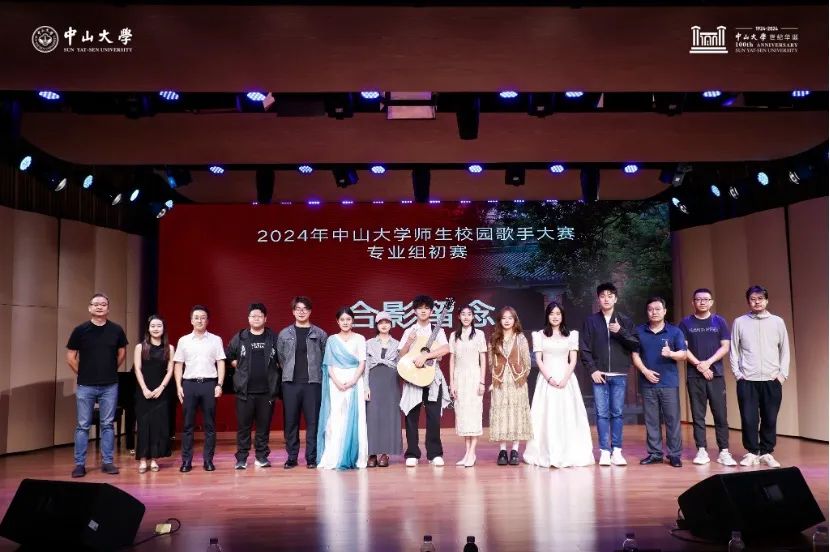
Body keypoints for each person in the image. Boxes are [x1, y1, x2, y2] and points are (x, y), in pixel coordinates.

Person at [524, 302, 594, 468]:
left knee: (567, 415)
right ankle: (547, 452)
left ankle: (568, 452)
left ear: (562, 316)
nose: (555, 317)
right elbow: (539, 360)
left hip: (566, 380)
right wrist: (549, 378)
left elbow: (573, 360)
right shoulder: (539, 335)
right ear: (547, 316)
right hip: (546, 380)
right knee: (546, 416)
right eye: (552, 314)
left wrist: (565, 378)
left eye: (558, 314)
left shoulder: (571, 335)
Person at [66, 292, 128, 478]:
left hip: (110, 385)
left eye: (103, 304)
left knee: (107, 424)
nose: (99, 307)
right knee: (83, 425)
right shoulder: (80, 330)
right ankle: (79, 464)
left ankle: (107, 462)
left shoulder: (116, 330)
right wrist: (84, 373)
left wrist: (110, 369)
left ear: (108, 308)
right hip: (86, 385)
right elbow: (71, 357)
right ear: (90, 308)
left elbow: (122, 353)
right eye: (96, 304)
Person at [579, 282, 639, 466]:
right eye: (603, 296)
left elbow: (635, 344)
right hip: (600, 374)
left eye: (610, 296)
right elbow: (584, 348)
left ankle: (617, 451)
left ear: (616, 299)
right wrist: (592, 370)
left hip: (619, 374)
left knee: (617, 414)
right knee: (602, 414)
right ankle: (605, 451)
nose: (606, 299)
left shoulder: (624, 320)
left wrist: (620, 331)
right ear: (598, 299)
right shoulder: (591, 321)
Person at [730, 285, 790, 468]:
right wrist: (738, 374)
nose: (757, 302)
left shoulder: (777, 322)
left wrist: (782, 375)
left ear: (766, 300)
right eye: (753, 299)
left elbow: (785, 350)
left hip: (772, 379)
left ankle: (766, 452)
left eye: (760, 299)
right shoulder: (740, 322)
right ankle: (751, 452)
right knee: (749, 419)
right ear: (748, 301)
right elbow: (734, 350)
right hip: (747, 380)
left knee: (770, 418)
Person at [679, 288, 737, 466]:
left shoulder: (719, 321)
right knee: (698, 415)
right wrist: (699, 365)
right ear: (693, 302)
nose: (702, 302)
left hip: (716, 375)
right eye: (698, 299)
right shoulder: (685, 323)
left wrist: (708, 363)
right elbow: (683, 348)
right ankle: (701, 450)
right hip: (694, 376)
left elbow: (725, 346)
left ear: (711, 302)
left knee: (720, 415)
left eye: (706, 299)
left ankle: (724, 451)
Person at [632, 297, 687, 468]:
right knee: (651, 421)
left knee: (672, 420)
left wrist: (671, 354)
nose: (654, 312)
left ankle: (674, 454)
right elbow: (635, 355)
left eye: (657, 309)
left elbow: (683, 354)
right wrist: (645, 371)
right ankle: (655, 453)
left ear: (664, 311)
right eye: (650, 309)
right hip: (647, 383)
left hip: (669, 383)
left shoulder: (675, 331)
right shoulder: (639, 331)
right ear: (647, 312)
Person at [226, 303, 281, 470]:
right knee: (244, 428)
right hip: (245, 392)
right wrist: (240, 367)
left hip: (267, 392)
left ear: (265, 318)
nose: (256, 318)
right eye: (253, 316)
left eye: (259, 316)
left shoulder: (273, 338)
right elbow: (229, 356)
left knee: (263, 427)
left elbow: (282, 359)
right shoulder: (240, 337)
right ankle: (241, 458)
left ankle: (261, 457)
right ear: (248, 318)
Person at [398, 295, 451, 467]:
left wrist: (426, 356)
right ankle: (412, 453)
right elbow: (401, 355)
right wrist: (409, 342)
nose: (423, 311)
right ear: (414, 311)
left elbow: (446, 348)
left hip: (432, 377)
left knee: (433, 416)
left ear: (431, 311)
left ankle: (434, 453)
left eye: (426, 308)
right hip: (413, 376)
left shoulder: (438, 330)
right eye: (420, 308)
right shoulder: (409, 331)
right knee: (411, 416)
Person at [173, 305, 226, 472]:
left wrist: (219, 384)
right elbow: (178, 364)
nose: (199, 320)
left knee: (210, 425)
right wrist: (178, 386)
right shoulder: (183, 340)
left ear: (207, 320)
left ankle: (208, 460)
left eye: (203, 317)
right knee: (188, 425)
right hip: (189, 384)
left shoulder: (216, 340)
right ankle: (186, 461)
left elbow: (221, 362)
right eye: (196, 317)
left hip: (209, 384)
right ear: (191, 320)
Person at [277, 296, 328, 469]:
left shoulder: (320, 334)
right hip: (290, 384)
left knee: (313, 423)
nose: (301, 312)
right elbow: (281, 358)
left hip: (313, 384)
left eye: (305, 309)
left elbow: (324, 357)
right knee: (291, 422)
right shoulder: (284, 334)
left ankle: (311, 458)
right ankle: (292, 457)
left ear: (310, 311)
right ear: (293, 311)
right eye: (298, 309)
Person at [317, 307, 368, 469]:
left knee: (355, 417)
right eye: (342, 320)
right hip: (335, 382)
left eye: (348, 319)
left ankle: (355, 456)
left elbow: (362, 362)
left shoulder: (360, 338)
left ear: (353, 321)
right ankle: (334, 456)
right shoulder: (332, 340)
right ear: (337, 322)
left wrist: (353, 381)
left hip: (355, 380)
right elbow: (328, 364)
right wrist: (337, 382)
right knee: (335, 417)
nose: (345, 322)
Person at [489, 306, 533, 466]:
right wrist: (497, 377)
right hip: (500, 382)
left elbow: (527, 361)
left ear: (515, 320)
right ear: (499, 320)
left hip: (517, 382)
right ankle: (502, 450)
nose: (507, 321)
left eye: (510, 318)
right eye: (504, 318)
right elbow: (491, 362)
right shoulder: (494, 338)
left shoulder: (521, 338)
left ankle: (515, 449)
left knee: (517, 414)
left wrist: (521, 377)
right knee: (501, 414)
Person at [133, 315, 174, 473]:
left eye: (159, 326)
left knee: (158, 425)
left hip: (161, 391)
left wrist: (161, 388)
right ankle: (143, 460)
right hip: (143, 390)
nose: (156, 329)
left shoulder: (169, 348)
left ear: (163, 329)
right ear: (148, 329)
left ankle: (154, 459)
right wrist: (144, 388)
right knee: (144, 425)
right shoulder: (140, 347)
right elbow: (137, 369)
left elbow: (170, 370)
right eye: (153, 326)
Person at [448, 304, 487, 467]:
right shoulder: (454, 336)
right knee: (463, 415)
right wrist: (452, 383)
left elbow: (483, 359)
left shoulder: (479, 334)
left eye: (469, 314)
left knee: (474, 414)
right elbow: (452, 360)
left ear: (473, 317)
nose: (466, 317)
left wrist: (482, 381)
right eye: (463, 314)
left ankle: (472, 453)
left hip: (474, 378)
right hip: (459, 379)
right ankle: (467, 453)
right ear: (458, 316)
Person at [364, 311, 402, 468]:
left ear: (391, 325)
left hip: (391, 382)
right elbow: (366, 366)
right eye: (381, 322)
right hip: (373, 381)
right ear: (376, 325)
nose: (384, 325)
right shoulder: (369, 343)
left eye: (387, 322)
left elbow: (401, 365)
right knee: (372, 416)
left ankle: (385, 454)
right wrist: (365, 386)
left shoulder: (398, 344)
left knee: (389, 417)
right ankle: (372, 453)